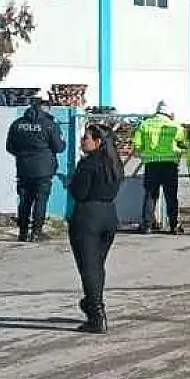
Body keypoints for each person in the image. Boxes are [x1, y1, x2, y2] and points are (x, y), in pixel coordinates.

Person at [66, 123, 123, 334]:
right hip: (109, 215)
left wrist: (72, 182)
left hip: (87, 217)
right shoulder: (114, 163)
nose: (82, 141)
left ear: (98, 142)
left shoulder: (89, 164)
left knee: (89, 267)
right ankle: (92, 303)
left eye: (86, 138)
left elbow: (79, 192)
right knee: (97, 265)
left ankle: (96, 313)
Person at [5, 98, 66, 242]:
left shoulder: (18, 124)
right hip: (43, 169)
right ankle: (36, 232)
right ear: (43, 107)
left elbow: (10, 146)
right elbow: (59, 147)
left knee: (25, 200)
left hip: (23, 168)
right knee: (40, 200)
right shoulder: (49, 124)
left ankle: (23, 232)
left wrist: (23, 155)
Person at [133, 101, 185, 234]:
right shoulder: (174, 125)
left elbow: (137, 147)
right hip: (170, 164)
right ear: (169, 113)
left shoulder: (145, 124)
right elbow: (184, 142)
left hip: (152, 164)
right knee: (171, 196)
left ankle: (147, 225)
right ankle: (174, 226)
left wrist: (145, 155)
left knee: (150, 196)